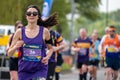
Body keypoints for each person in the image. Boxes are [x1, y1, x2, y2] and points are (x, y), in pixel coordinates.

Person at [7, 5, 58, 80]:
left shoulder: (45, 31)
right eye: (29, 13)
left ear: (38, 16)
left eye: (34, 13)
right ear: (26, 16)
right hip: (24, 69)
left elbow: (51, 48)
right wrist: (15, 47)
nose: (31, 15)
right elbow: (9, 54)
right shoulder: (19, 32)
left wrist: (47, 57)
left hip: (40, 69)